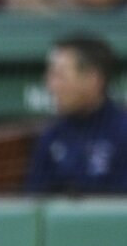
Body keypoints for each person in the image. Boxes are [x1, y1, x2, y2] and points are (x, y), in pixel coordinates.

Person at [25, 35, 127, 193]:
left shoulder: (122, 132)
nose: (51, 85)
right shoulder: (52, 135)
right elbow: (33, 201)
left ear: (93, 79)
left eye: (60, 76)